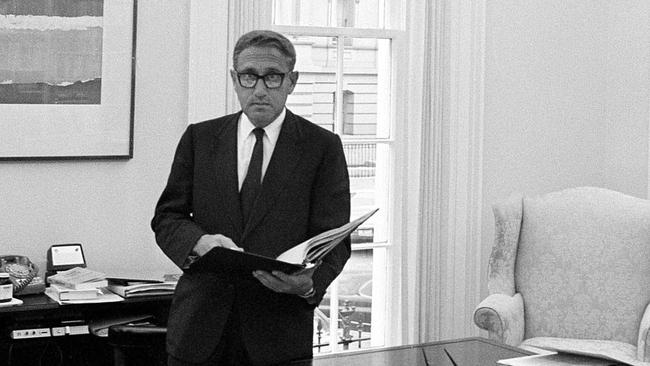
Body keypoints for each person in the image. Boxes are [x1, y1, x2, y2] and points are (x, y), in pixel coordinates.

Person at [151, 30, 351, 366]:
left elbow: (336, 240)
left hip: (279, 335)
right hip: (198, 334)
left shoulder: (322, 147)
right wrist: (199, 243)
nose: (259, 90)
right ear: (234, 79)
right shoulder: (200, 138)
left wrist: (307, 284)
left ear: (292, 81)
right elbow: (167, 218)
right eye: (248, 77)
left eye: (272, 77)